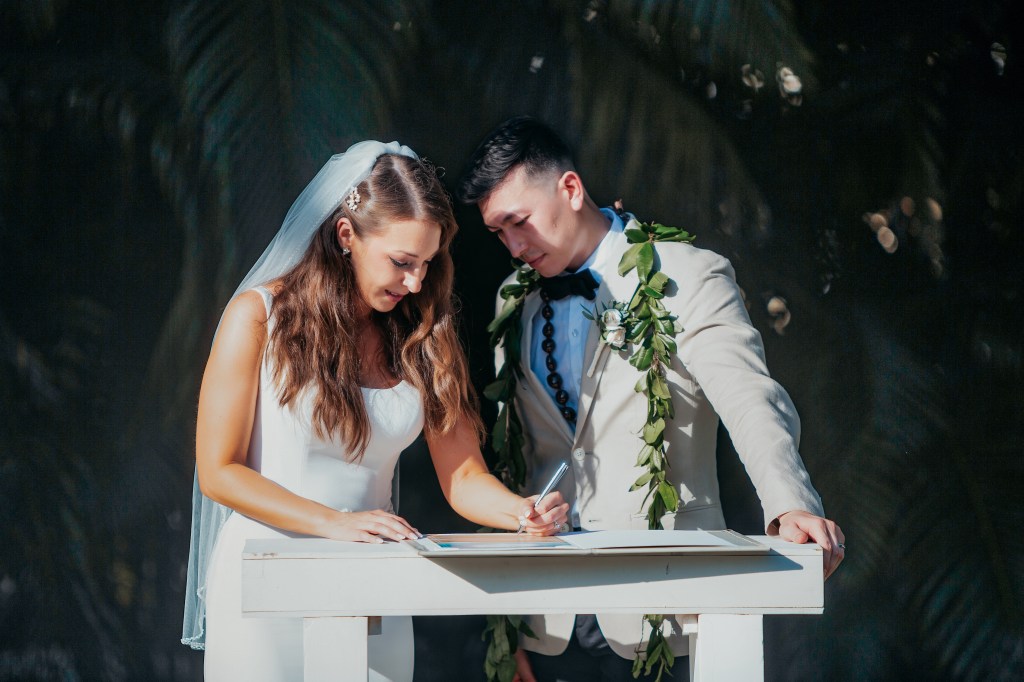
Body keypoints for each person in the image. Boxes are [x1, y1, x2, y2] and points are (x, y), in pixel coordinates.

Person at [457, 117, 845, 682]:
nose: (514, 246)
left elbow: (750, 398)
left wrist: (790, 503)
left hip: (661, 608)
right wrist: (516, 622)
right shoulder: (513, 301)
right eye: (498, 232)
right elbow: (521, 456)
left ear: (570, 189)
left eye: (520, 222)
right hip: (551, 620)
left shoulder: (685, 275)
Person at [180, 140, 569, 681]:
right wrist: (335, 523)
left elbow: (463, 476)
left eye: (427, 265)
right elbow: (218, 472)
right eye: (401, 262)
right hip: (266, 577)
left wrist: (521, 512)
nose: (414, 282)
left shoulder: (423, 337)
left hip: (375, 582)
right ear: (347, 236)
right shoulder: (259, 318)